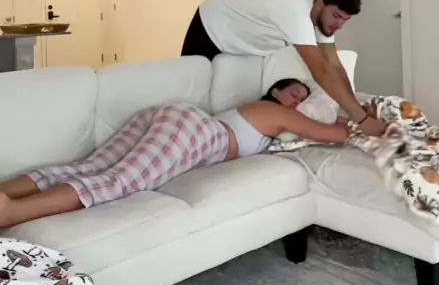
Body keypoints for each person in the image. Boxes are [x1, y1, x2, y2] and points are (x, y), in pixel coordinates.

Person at [0, 78, 354, 229]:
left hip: (174, 116)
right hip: (196, 130)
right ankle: (11, 213)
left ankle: (7, 192)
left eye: (302, 99)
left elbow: (323, 123)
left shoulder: (262, 113)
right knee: (118, 182)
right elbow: (331, 133)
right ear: (275, 92)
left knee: (90, 166)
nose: (297, 101)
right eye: (293, 93)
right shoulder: (276, 113)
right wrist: (366, 122)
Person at [181, 0, 385, 136]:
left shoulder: (322, 17)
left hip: (241, 31)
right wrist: (362, 120)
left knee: (226, 97)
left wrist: (357, 110)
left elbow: (334, 65)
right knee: (195, 96)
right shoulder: (296, 13)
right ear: (320, 4)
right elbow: (321, 72)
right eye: (337, 16)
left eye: (345, 20)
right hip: (213, 22)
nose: (339, 25)